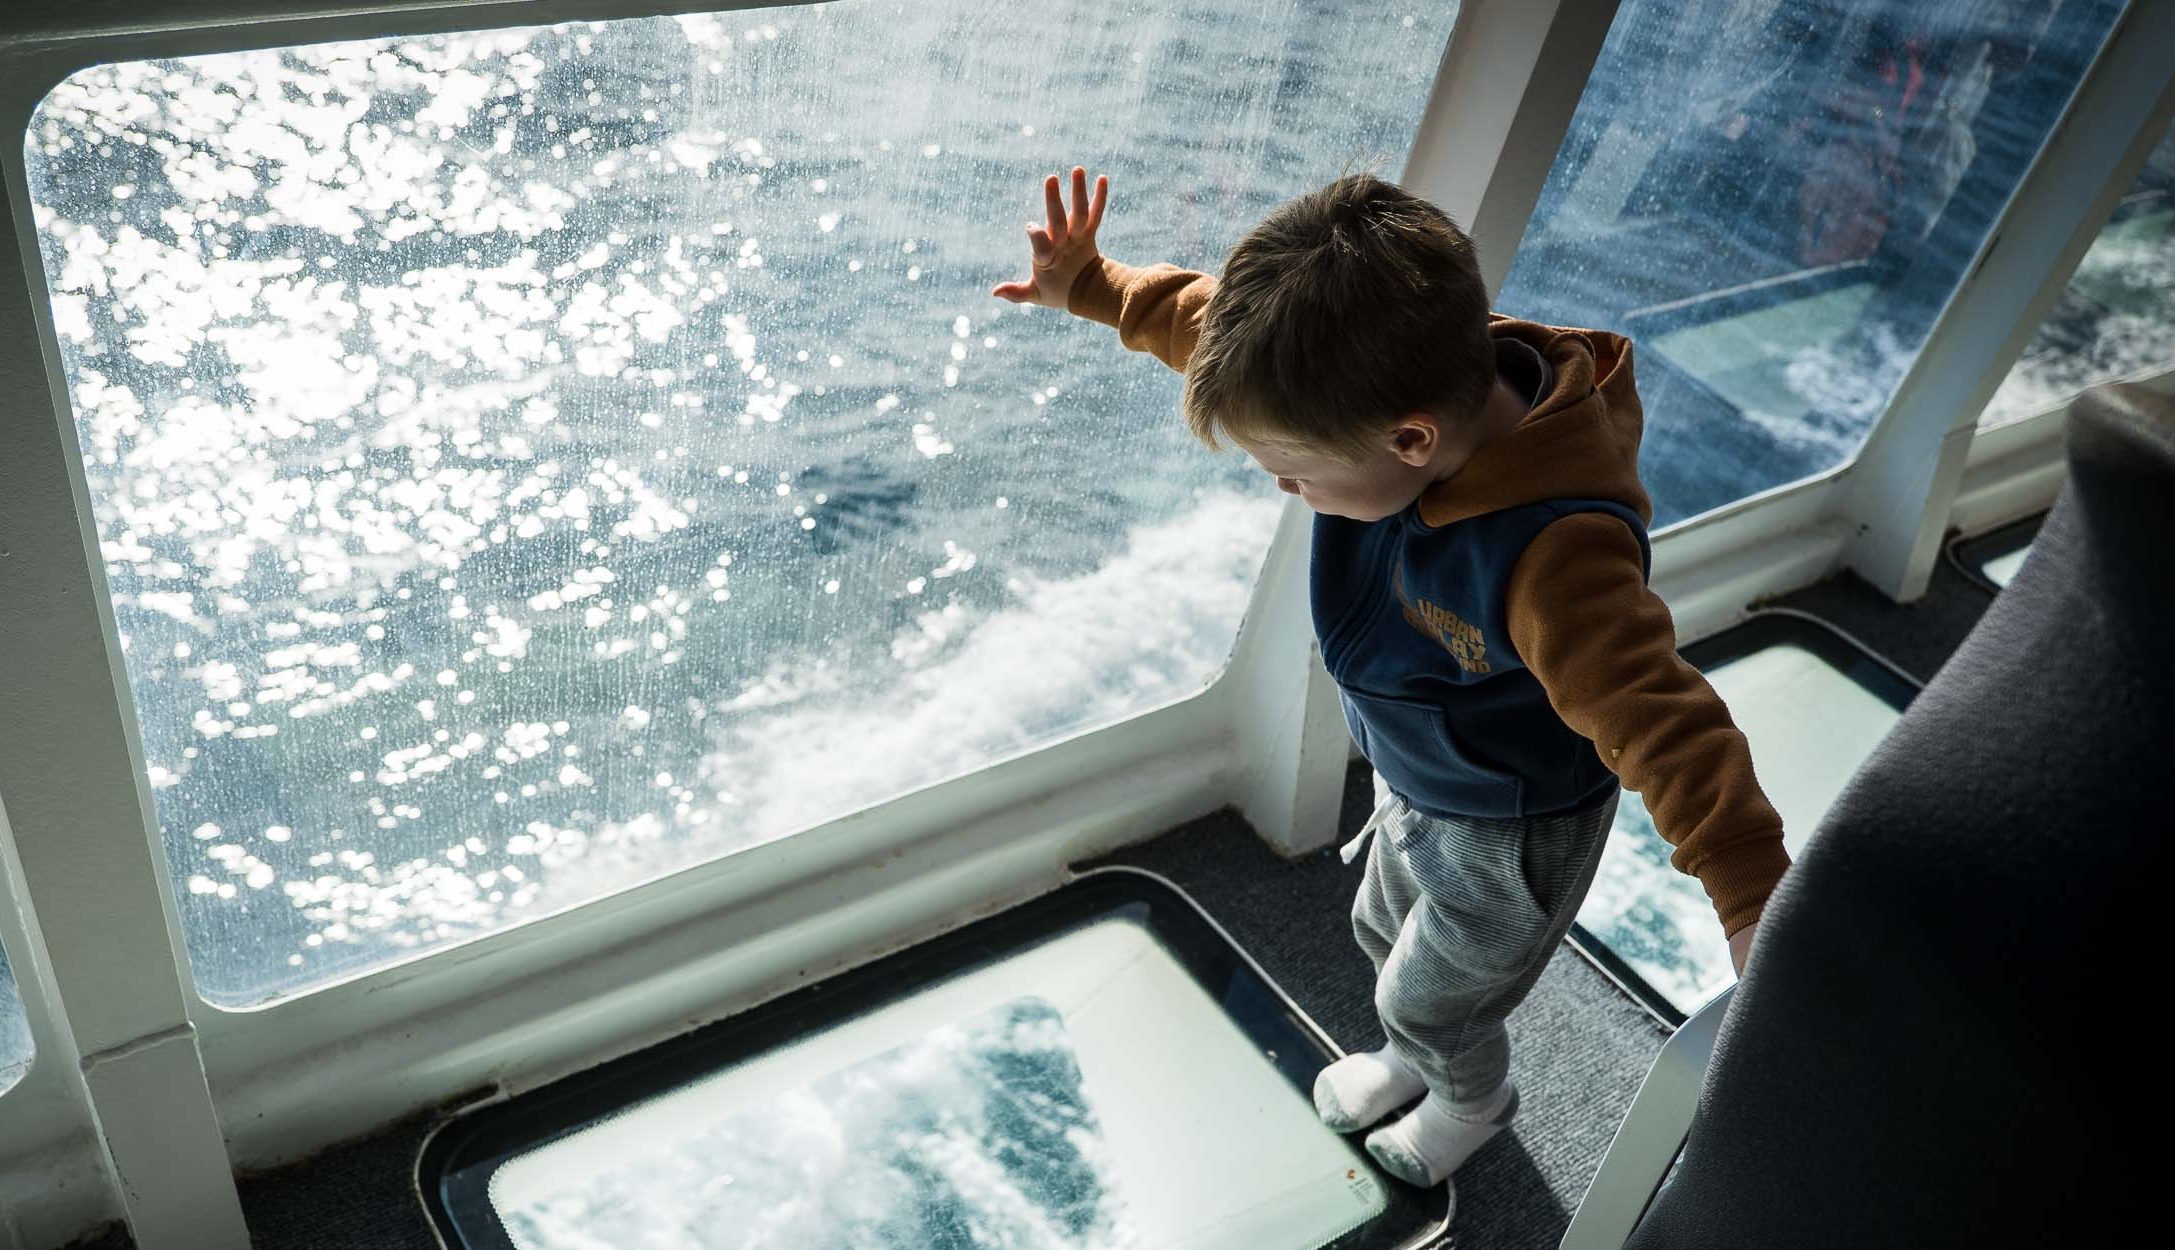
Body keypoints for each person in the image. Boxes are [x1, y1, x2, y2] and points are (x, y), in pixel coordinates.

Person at [993, 168, 1790, 1197]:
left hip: (1512, 818)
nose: (1286, 488)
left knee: (1439, 995)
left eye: (1296, 474)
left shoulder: (1556, 553)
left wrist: (1751, 892)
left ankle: (1470, 1099)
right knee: (1381, 928)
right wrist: (1096, 285)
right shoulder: (1361, 383)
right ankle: (1418, 1055)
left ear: (1411, 441)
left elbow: (1670, 725)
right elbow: (1205, 324)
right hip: (1419, 772)